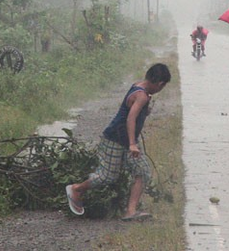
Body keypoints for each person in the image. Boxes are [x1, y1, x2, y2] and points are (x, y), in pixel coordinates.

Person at [65, 63, 172, 221]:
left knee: (142, 171)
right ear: (160, 84)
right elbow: (130, 118)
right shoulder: (142, 95)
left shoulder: (138, 86)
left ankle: (130, 211)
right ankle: (77, 189)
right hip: (115, 139)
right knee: (107, 176)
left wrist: (144, 112)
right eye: (162, 87)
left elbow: (131, 110)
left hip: (126, 140)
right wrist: (132, 144)